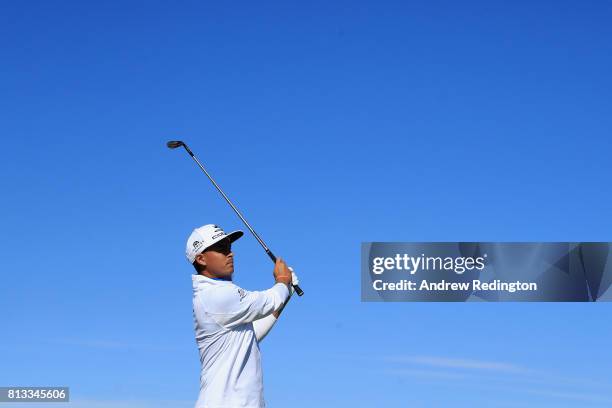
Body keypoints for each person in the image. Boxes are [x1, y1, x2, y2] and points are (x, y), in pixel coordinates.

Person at [186, 224, 298, 408]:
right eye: (221, 249)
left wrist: (285, 291)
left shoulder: (219, 298)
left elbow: (252, 335)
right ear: (201, 258)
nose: (230, 254)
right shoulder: (217, 295)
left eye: (229, 248)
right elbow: (269, 301)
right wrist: (283, 282)